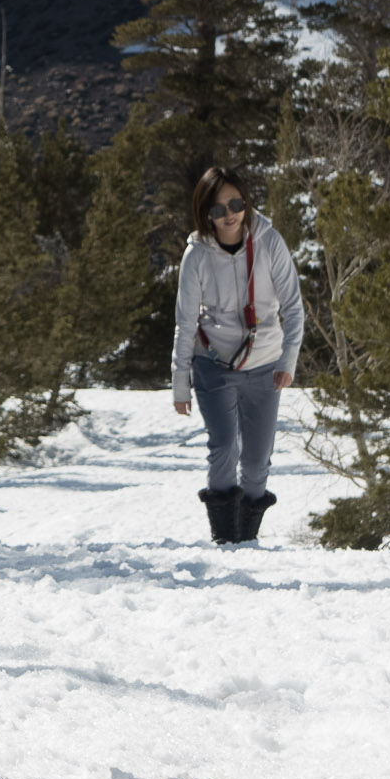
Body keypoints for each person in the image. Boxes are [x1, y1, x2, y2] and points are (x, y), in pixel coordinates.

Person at [172, 167, 302, 543]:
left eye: (236, 203)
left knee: (258, 461)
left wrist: (287, 362)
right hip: (213, 364)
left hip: (265, 366)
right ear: (205, 214)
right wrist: (180, 382)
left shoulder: (269, 241)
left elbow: (293, 307)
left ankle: (247, 540)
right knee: (225, 446)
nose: (229, 214)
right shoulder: (196, 256)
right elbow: (184, 322)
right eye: (218, 208)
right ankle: (225, 540)